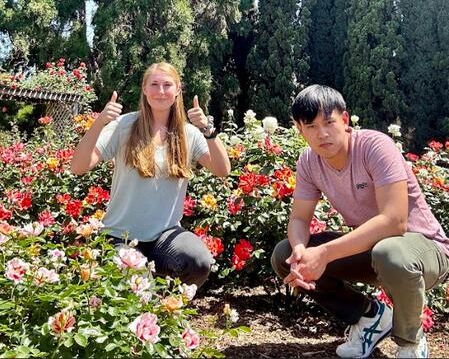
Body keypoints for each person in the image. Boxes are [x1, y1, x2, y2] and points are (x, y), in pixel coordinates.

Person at [271, 85, 449, 359]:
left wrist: (326, 253)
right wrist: (299, 250)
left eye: (329, 122)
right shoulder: (308, 161)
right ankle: (370, 316)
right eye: (311, 126)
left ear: (344, 120)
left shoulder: (374, 146)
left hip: (424, 250)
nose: (322, 133)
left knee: (390, 252)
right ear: (299, 129)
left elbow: (394, 221)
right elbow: (298, 218)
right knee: (284, 255)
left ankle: (411, 344)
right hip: (374, 251)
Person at [71, 61, 231, 287]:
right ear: (144, 89)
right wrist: (99, 122)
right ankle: (151, 301)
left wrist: (208, 131)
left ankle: (169, 306)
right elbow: (78, 166)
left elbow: (223, 170)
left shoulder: (189, 134)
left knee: (199, 261)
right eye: (154, 84)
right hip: (120, 237)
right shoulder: (123, 126)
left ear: (177, 91)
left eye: (167, 85)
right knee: (137, 285)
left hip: (165, 238)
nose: (161, 91)